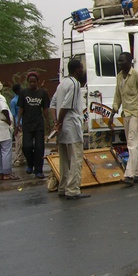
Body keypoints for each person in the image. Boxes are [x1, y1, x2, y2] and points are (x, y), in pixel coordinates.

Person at [109, 52, 138, 186]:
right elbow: (117, 97)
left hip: (136, 114)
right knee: (135, 144)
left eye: (122, 61)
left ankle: (129, 175)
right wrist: (111, 114)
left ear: (130, 62)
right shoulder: (119, 77)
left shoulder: (137, 76)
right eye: (118, 61)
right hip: (126, 114)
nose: (119, 64)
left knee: (132, 144)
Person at [54, 59, 90, 200]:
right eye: (81, 68)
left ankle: (62, 187)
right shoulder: (75, 84)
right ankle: (73, 189)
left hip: (62, 127)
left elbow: (53, 103)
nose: (82, 70)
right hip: (71, 125)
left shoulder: (62, 83)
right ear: (77, 70)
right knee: (76, 159)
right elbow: (66, 105)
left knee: (64, 159)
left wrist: (57, 122)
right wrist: (60, 122)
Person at [17, 72, 51, 179]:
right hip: (27, 124)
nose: (32, 84)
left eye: (34, 82)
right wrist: (18, 121)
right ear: (27, 82)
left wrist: (48, 123)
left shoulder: (43, 93)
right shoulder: (23, 93)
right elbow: (21, 108)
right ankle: (30, 164)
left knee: (39, 148)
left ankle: (38, 171)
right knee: (26, 146)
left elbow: (45, 109)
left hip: (39, 125)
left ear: (37, 82)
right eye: (30, 82)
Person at [9, 83, 25, 167]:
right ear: (16, 91)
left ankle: (23, 158)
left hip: (26, 123)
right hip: (19, 125)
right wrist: (15, 127)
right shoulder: (14, 101)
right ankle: (18, 159)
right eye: (20, 89)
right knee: (19, 143)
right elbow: (14, 115)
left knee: (25, 142)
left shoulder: (23, 98)